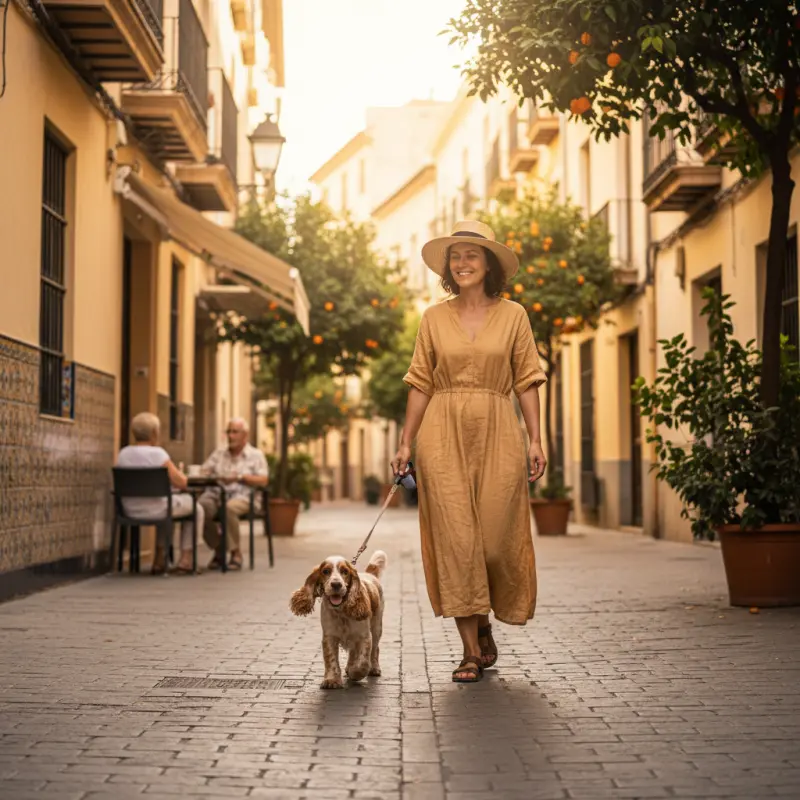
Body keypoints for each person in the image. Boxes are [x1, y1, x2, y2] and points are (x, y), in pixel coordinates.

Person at [391, 220, 547, 683]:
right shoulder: (433, 318)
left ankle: (483, 621)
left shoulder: (514, 315)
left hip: (499, 427)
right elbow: (420, 380)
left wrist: (536, 438)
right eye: (455, 256)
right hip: (441, 432)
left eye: (471, 256)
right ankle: (468, 652)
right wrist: (405, 442)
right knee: (457, 539)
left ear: (489, 265)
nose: (461, 263)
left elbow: (527, 379)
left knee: (497, 540)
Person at [116, 412, 204, 574]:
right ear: (155, 433)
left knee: (167, 505)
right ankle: (186, 560)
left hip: (129, 510)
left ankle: (159, 560)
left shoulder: (123, 453)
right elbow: (181, 482)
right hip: (157, 509)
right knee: (196, 509)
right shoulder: (158, 454)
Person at [198, 417, 269, 571]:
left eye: (235, 432)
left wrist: (240, 478)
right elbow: (204, 470)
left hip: (244, 497)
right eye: (229, 431)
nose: (231, 435)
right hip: (217, 494)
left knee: (228, 508)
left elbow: (263, 480)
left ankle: (236, 553)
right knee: (199, 508)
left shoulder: (256, 455)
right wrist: (210, 474)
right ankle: (219, 549)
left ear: (245, 435)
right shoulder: (219, 453)